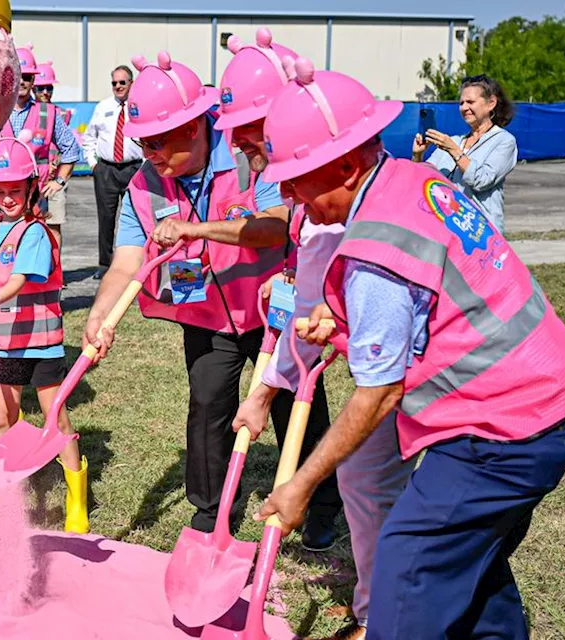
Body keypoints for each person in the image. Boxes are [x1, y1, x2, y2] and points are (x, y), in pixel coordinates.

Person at [255, 58, 565, 640]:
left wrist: (300, 485)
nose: (286, 193)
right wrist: (339, 323)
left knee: (409, 569)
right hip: (560, 393)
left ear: (343, 164)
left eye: (297, 176)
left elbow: (380, 391)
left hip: (507, 428)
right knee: (468, 560)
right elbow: (425, 308)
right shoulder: (414, 180)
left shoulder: (373, 251)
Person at [81, 52, 340, 546]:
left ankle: (320, 504)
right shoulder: (143, 183)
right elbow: (126, 260)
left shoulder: (248, 156)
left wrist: (196, 228)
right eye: (142, 142)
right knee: (207, 408)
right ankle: (210, 508)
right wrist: (99, 314)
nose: (149, 152)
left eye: (157, 141)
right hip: (206, 315)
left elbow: (274, 227)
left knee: (296, 404)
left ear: (194, 127)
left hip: (273, 310)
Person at [220, 29, 412, 640]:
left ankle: (380, 615)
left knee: (376, 483)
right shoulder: (324, 200)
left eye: (253, 124)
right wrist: (265, 390)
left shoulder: (340, 215)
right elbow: (306, 311)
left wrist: (268, 393)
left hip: (456, 390)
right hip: (403, 368)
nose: (239, 139)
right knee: (369, 482)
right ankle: (375, 603)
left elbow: (319, 319)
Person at [0, 127, 87, 533]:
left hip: (42, 342)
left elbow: (18, 280)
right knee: (4, 418)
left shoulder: (35, 231)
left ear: (31, 188)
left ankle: (75, 498)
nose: (9, 198)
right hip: (7, 342)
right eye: (0, 191)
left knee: (57, 419)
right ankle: (3, 498)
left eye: (16, 189)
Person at [413, 74, 518, 233]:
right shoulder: (454, 141)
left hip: (481, 233)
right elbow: (424, 180)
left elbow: (482, 180)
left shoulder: (504, 141)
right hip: (447, 229)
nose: (464, 107)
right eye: (461, 103)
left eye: (470, 102)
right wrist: (417, 156)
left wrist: (454, 150)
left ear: (491, 103)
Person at [8, 45, 80, 248]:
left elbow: (71, 148)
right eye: (19, 75)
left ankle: (49, 277)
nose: (22, 81)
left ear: (33, 82)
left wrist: (59, 181)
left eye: (28, 77)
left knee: (37, 238)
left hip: (36, 194)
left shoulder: (48, 113)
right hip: (3, 195)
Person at [82, 64, 143, 278]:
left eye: (122, 82)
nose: (117, 86)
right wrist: (93, 164)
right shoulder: (103, 107)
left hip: (134, 169)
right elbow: (89, 137)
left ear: (131, 84)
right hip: (106, 169)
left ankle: (137, 263)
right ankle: (105, 265)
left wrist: (145, 166)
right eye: (114, 83)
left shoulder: (140, 106)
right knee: (106, 219)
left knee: (138, 217)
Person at [32, 61, 71, 247]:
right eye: (41, 88)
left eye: (49, 88)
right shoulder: (27, 114)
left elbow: (70, 147)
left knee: (54, 225)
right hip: (33, 179)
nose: (45, 92)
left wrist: (60, 168)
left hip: (55, 179)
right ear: (33, 89)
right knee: (31, 224)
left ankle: (55, 269)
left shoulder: (61, 114)